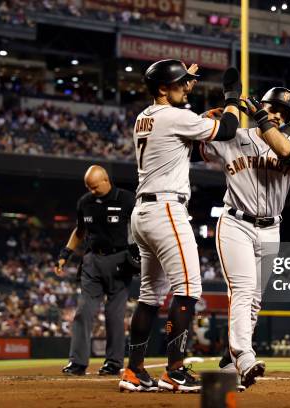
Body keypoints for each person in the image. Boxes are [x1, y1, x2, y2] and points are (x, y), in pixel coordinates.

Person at [119, 59, 241, 393]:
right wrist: (231, 99)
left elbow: (188, 150)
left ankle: (135, 372)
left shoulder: (145, 117)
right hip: (166, 210)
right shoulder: (175, 116)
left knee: (149, 296)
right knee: (188, 289)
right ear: (162, 88)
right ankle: (174, 371)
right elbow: (228, 130)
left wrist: (201, 121)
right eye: (181, 82)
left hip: (143, 213)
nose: (188, 86)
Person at [198, 87, 290, 389]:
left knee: (255, 301)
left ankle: (229, 368)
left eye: (283, 114)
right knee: (243, 291)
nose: (277, 115)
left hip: (272, 228)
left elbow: (288, 154)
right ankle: (244, 357)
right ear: (263, 105)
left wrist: (261, 117)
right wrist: (217, 114)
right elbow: (198, 144)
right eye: (273, 108)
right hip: (236, 223)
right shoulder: (236, 137)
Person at [57, 165, 136, 376]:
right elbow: (80, 230)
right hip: (92, 260)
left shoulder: (127, 199)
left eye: (94, 187)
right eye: (88, 187)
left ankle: (113, 363)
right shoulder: (85, 202)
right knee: (83, 312)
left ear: (106, 180)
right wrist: (66, 254)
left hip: (120, 261)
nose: (91, 191)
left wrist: (140, 253)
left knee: (114, 315)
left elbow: (142, 226)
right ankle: (77, 363)